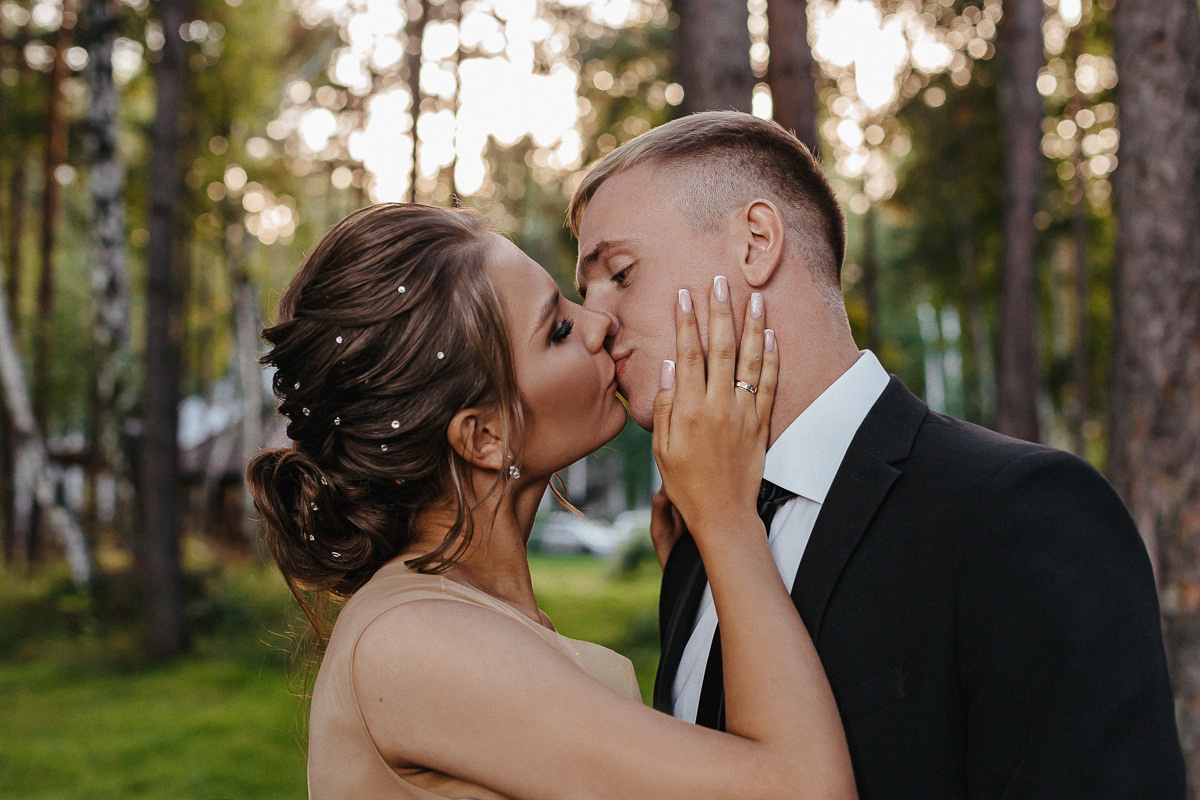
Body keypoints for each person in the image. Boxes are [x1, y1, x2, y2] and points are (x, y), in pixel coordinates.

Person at [570, 110, 1187, 797]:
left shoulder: (1020, 513)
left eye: (620, 272)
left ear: (755, 243)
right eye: (584, 288)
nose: (594, 321)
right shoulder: (696, 547)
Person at [246, 202, 859, 800]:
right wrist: (727, 521)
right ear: (483, 436)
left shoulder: (463, 615)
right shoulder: (412, 642)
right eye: (559, 330)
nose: (599, 325)